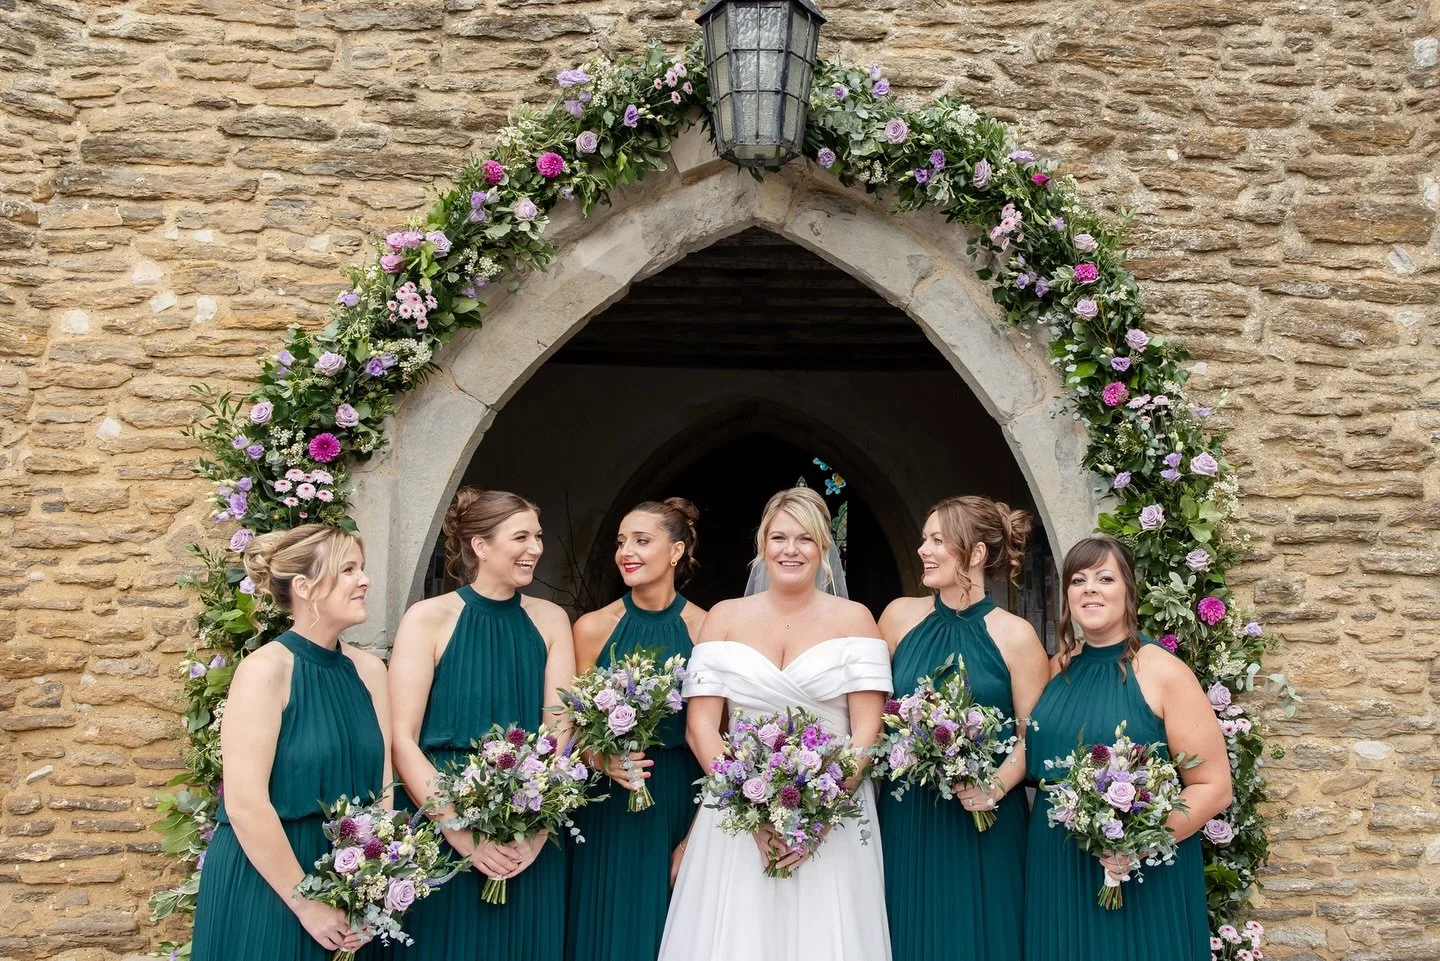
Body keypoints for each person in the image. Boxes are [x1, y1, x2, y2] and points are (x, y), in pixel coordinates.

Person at [658, 487, 892, 961]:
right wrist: (752, 811)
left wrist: (818, 819)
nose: (791, 550)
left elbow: (869, 731)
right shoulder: (724, 618)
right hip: (736, 816)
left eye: (804, 539)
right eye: (779, 537)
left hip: (834, 817)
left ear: (824, 546)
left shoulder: (857, 620)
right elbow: (701, 729)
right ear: (762, 545)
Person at [385, 489, 575, 961]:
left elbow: (559, 734)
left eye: (538, 536)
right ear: (480, 545)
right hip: (442, 827)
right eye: (521, 537)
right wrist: (459, 831)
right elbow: (401, 739)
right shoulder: (427, 619)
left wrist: (534, 832)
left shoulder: (551, 620)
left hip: (529, 829)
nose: (535, 547)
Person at [1023, 535, 1232, 961]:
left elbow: (1213, 786)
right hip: (1056, 868)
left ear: (1128, 591)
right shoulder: (1055, 669)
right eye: (1078, 580)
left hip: (1138, 872)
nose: (1090, 589)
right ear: (1067, 596)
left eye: (1104, 578)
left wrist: (1138, 842)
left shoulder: (1164, 672)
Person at [192, 525, 390, 961]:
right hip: (271, 884)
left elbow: (385, 794)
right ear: (305, 587)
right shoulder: (265, 671)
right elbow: (245, 804)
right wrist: (306, 901)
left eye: (363, 568)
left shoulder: (372, 672)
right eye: (348, 570)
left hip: (351, 889)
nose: (365, 580)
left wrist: (376, 890)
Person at [877, 496, 1049, 961]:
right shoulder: (897, 618)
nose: (923, 550)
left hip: (985, 819)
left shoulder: (1017, 636)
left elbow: (1033, 737)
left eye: (937, 541)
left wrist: (994, 785)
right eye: (923, 540)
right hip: (910, 813)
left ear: (974, 554)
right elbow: (871, 717)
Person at [565, 498, 707, 961]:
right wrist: (597, 757)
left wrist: (697, 836)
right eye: (622, 541)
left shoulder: (707, 629)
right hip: (606, 802)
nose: (627, 551)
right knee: (603, 926)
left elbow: (722, 738)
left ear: (676, 551)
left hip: (678, 798)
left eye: (642, 541)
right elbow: (573, 729)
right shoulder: (591, 628)